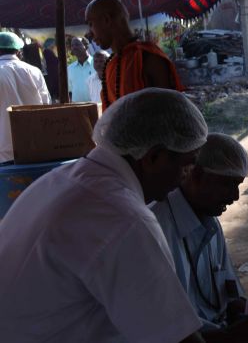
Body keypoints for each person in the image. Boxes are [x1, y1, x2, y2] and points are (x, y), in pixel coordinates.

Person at [0, 88, 214, 342]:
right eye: (187, 164)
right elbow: (174, 337)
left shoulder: (62, 179)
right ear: (154, 157)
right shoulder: (123, 218)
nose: (186, 176)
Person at [151, 133, 248, 342]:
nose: (235, 196)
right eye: (227, 184)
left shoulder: (210, 220)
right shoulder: (157, 231)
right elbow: (166, 333)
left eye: (238, 185)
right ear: (196, 175)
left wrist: (243, 308)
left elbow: (228, 291)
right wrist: (231, 336)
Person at [85, 0, 184, 110]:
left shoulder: (148, 58)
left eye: (91, 24)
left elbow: (169, 111)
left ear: (106, 20)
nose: (89, 34)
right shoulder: (111, 65)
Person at [0, 32, 50, 163]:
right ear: (18, 51)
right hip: (35, 148)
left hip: (3, 152)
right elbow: (47, 107)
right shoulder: (35, 71)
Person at [67, 36, 95, 102]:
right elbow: (70, 90)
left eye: (77, 44)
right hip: (77, 106)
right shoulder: (70, 68)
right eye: (72, 45)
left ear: (86, 46)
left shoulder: (97, 63)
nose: (74, 47)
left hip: (96, 105)